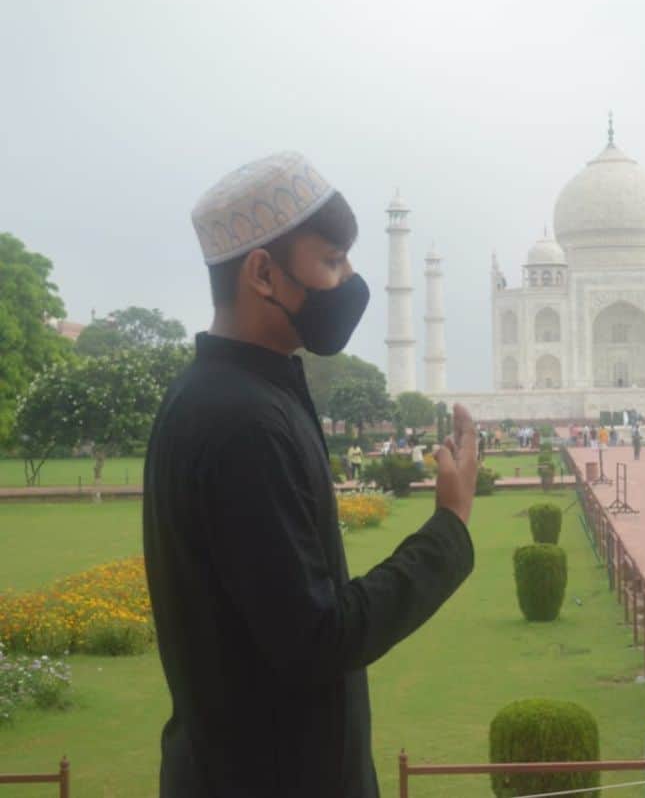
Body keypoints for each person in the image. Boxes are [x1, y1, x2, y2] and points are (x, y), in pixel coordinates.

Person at [143, 151, 478, 798]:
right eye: (331, 261)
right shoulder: (244, 422)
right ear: (263, 273)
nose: (349, 281)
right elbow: (317, 639)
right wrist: (449, 527)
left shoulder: (222, 395)